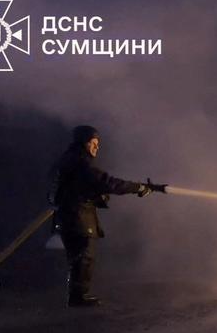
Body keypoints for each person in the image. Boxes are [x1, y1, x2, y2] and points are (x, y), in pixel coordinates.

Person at [50, 125, 165, 307]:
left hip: (71, 215)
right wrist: (139, 187)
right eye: (93, 143)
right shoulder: (80, 163)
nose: (97, 147)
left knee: (80, 257)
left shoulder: (69, 160)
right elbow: (109, 183)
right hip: (77, 217)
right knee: (84, 256)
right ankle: (78, 297)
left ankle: (78, 295)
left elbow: (81, 187)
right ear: (84, 143)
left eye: (98, 144)